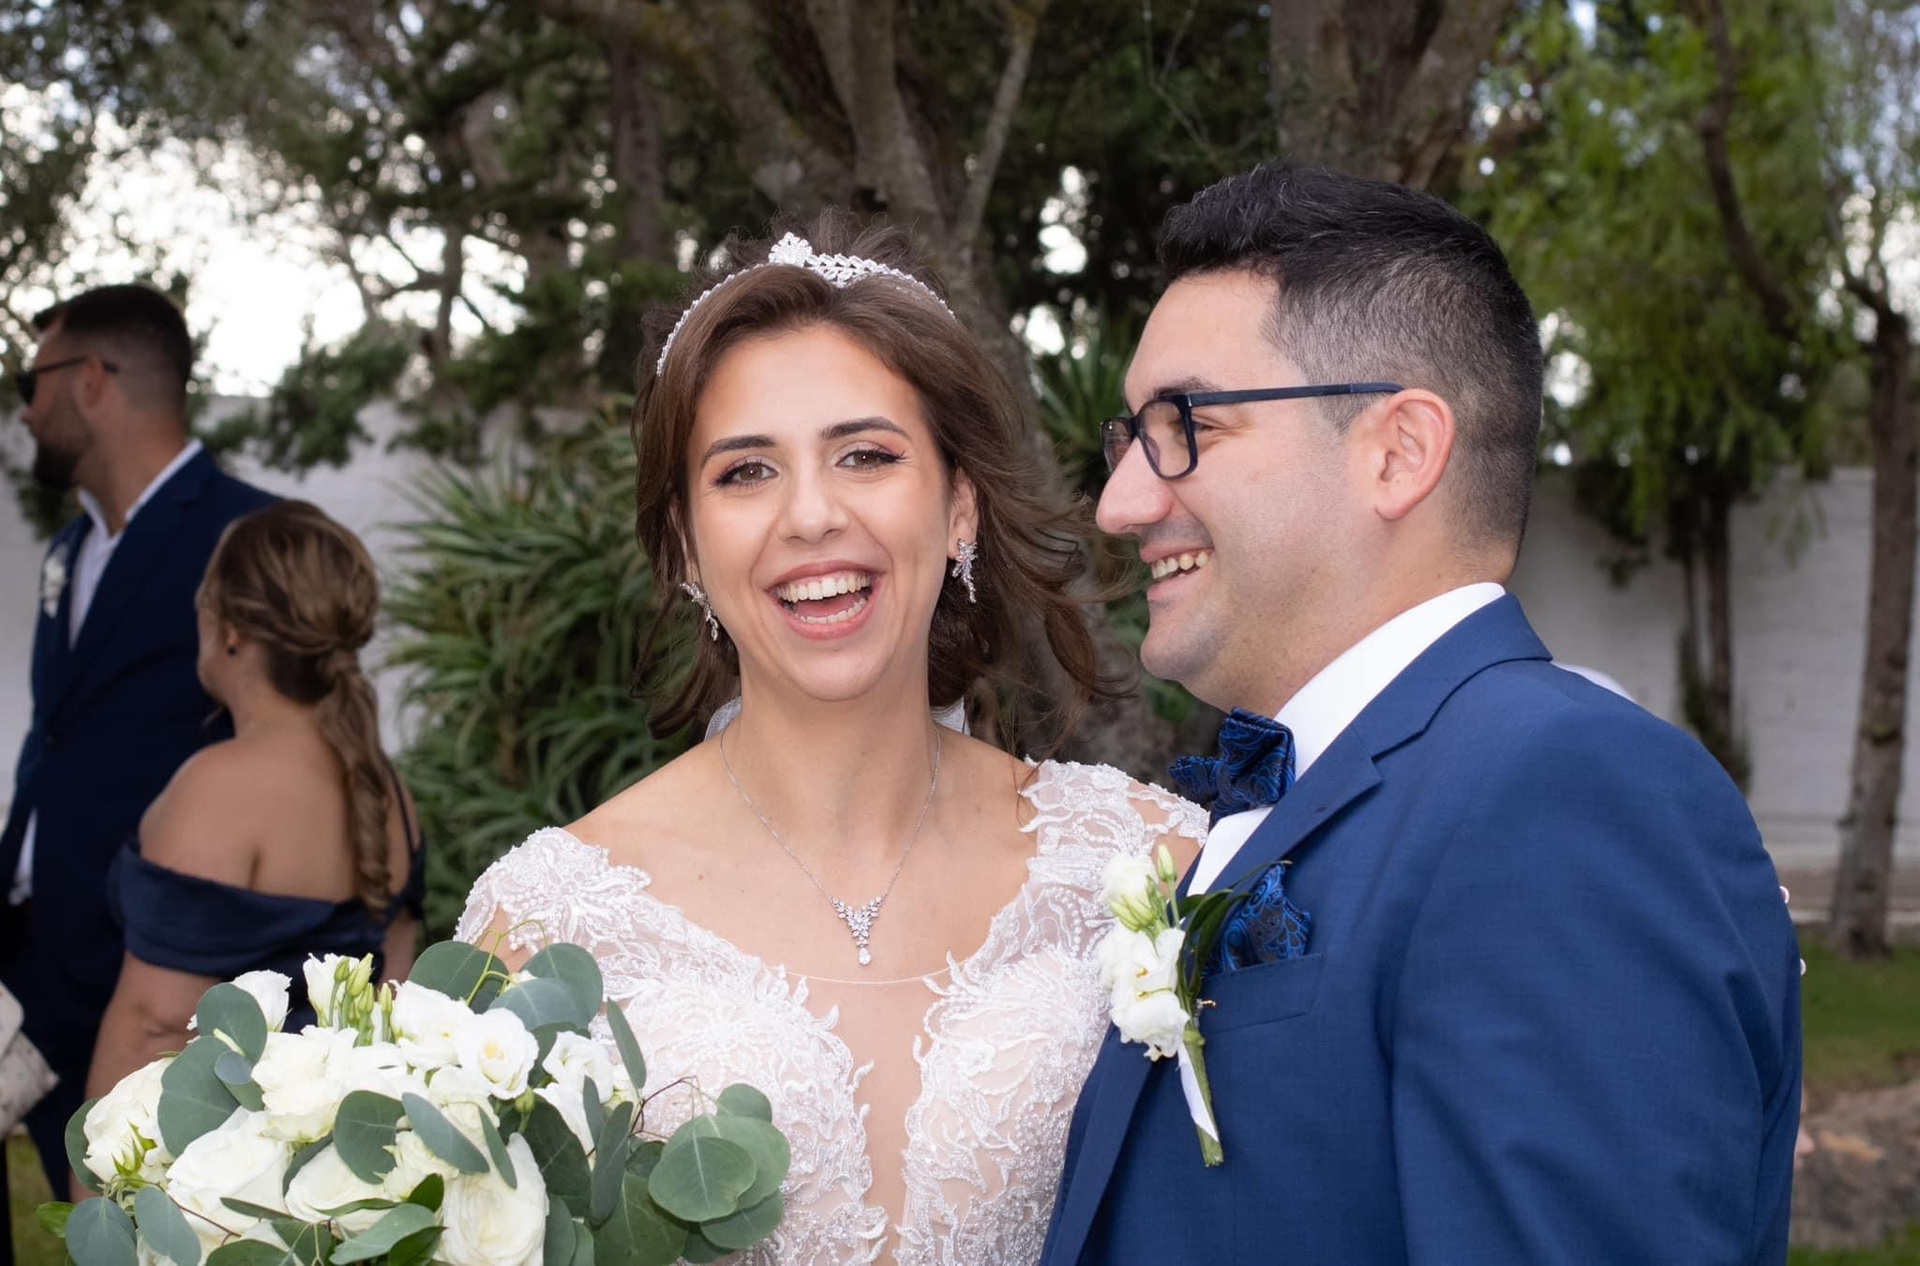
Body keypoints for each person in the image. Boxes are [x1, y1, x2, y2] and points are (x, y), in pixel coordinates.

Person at [1040, 163, 1803, 1264]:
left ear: (1398, 452)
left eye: (1187, 424)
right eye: (1131, 438)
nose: (1122, 502)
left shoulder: (1561, 797)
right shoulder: (1350, 791)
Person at [457, 214, 1207, 1263]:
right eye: (745, 472)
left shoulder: (1148, 866)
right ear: (683, 544)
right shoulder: (543, 925)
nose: (810, 516)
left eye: (866, 455)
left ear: (960, 505)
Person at [0, 285, 275, 1219]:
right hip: (34, 954)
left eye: (32, 383)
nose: (24, 410)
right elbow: (59, 734)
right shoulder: (70, 549)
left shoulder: (246, 536)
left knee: (143, 1227)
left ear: (89, 381)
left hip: (154, 975)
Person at [83, 499, 425, 1140]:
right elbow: (396, 992)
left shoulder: (220, 788)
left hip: (212, 1152)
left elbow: (154, 1024)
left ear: (232, 629)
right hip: (341, 1146)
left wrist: (99, 1176)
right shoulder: (387, 787)